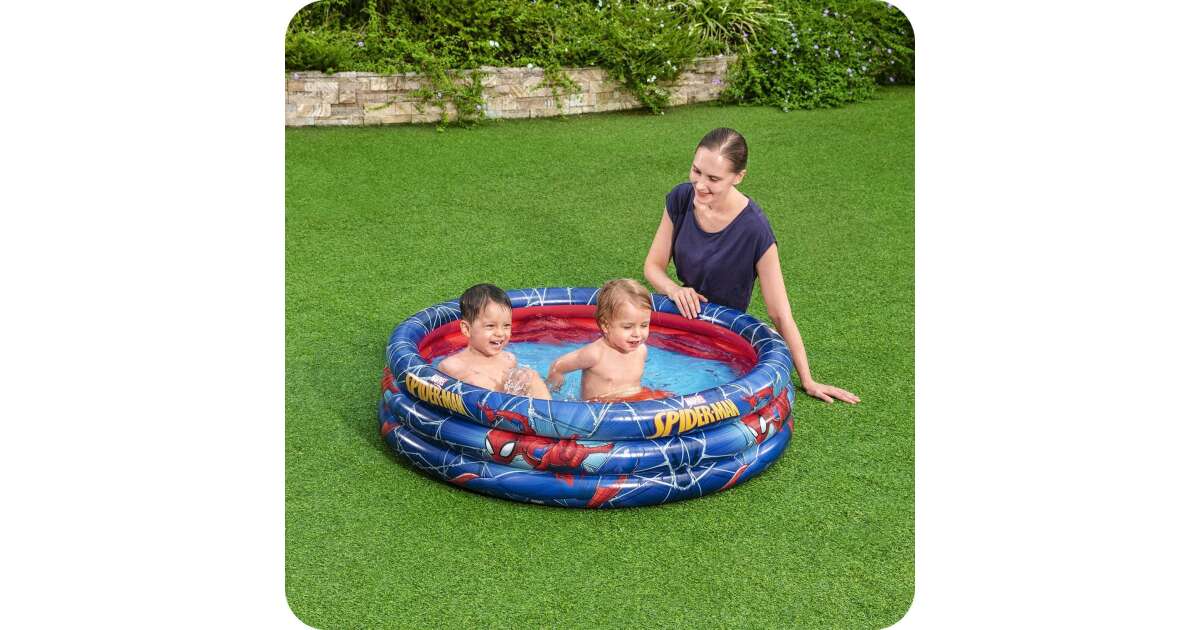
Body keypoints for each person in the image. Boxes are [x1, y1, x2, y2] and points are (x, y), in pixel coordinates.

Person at [643, 127, 860, 404]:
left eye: (713, 179)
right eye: (696, 171)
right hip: (679, 320)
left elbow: (779, 313)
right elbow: (653, 265)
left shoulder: (755, 229)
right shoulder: (681, 198)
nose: (700, 185)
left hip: (722, 337)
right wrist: (674, 290)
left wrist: (808, 380)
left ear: (738, 177)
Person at [546, 279, 671, 402]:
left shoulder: (641, 350)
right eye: (627, 327)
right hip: (600, 409)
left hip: (631, 403)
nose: (637, 334)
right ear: (606, 326)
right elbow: (558, 366)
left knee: (667, 396)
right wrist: (554, 391)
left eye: (644, 325)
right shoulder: (595, 354)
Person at [436, 283, 551, 399]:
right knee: (477, 381)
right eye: (490, 326)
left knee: (530, 375)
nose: (500, 333)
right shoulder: (451, 366)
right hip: (477, 408)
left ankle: (551, 408)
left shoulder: (508, 359)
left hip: (513, 408)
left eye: (506, 326)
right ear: (467, 329)